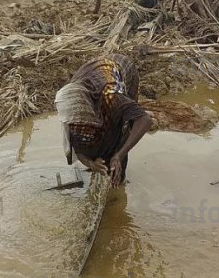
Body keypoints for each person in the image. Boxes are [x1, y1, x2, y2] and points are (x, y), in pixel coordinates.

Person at [54, 54, 152, 188]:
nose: (79, 127)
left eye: (84, 124)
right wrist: (92, 164)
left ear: (90, 113)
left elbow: (144, 120)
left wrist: (119, 155)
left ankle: (118, 174)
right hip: (92, 74)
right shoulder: (70, 108)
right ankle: (105, 163)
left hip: (121, 69)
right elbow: (79, 149)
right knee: (90, 139)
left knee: (120, 125)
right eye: (77, 125)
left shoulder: (111, 95)